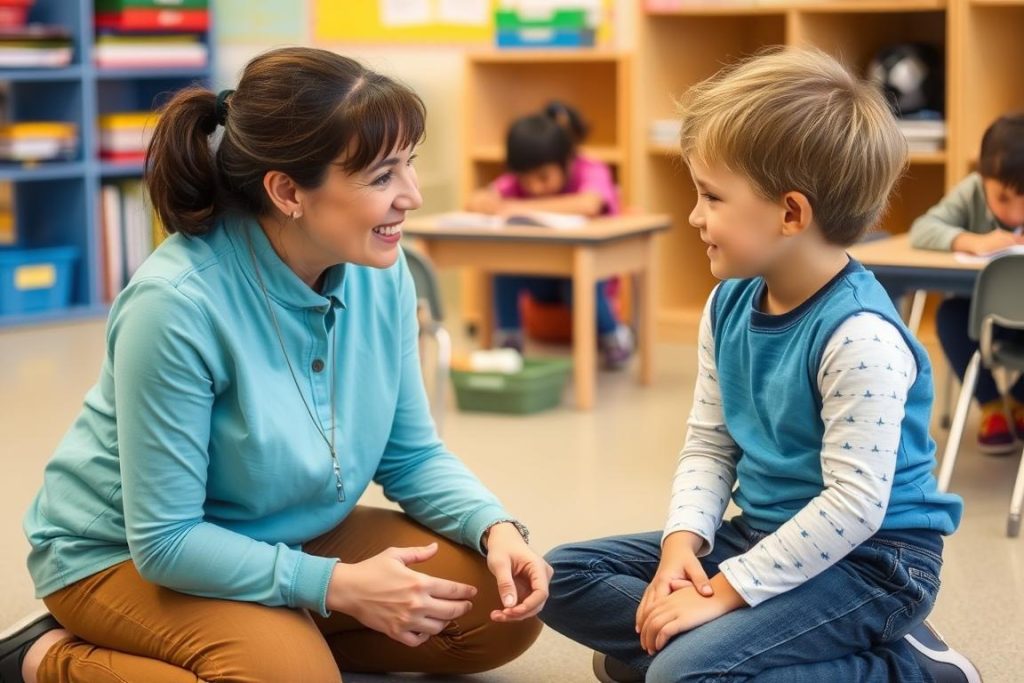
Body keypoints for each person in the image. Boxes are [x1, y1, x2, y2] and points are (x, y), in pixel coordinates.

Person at [0, 47, 548, 683]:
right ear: (288, 191)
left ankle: (278, 640)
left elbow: (411, 455)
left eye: (410, 163)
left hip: (282, 531)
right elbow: (166, 540)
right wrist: (334, 585)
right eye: (382, 177)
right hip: (123, 555)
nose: (413, 196)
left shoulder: (382, 269)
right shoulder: (174, 304)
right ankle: (44, 657)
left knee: (502, 607)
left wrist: (493, 525)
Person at [540, 48, 979, 683]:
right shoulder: (728, 303)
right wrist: (682, 546)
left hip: (874, 565)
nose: (694, 216)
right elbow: (710, 444)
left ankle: (910, 669)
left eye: (711, 196)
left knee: (679, 673)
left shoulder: (862, 337)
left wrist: (721, 594)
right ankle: (706, 653)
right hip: (765, 536)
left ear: (791, 213)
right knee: (564, 575)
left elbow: (853, 507)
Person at [467, 101, 634, 369]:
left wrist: (514, 207)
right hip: (542, 275)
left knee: (578, 281)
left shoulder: (590, 169)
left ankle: (614, 336)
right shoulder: (516, 183)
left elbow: (589, 204)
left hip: (590, 274)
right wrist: (486, 202)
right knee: (504, 267)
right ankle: (509, 341)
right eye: (526, 180)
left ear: (567, 161)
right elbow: (477, 201)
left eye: (543, 177)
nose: (534, 187)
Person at [910, 113, 1024, 454]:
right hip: (986, 319)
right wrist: (971, 241)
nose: (1015, 214)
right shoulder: (971, 191)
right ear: (982, 177)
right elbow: (923, 229)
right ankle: (992, 405)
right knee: (949, 315)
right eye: (1003, 198)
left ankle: (1019, 400)